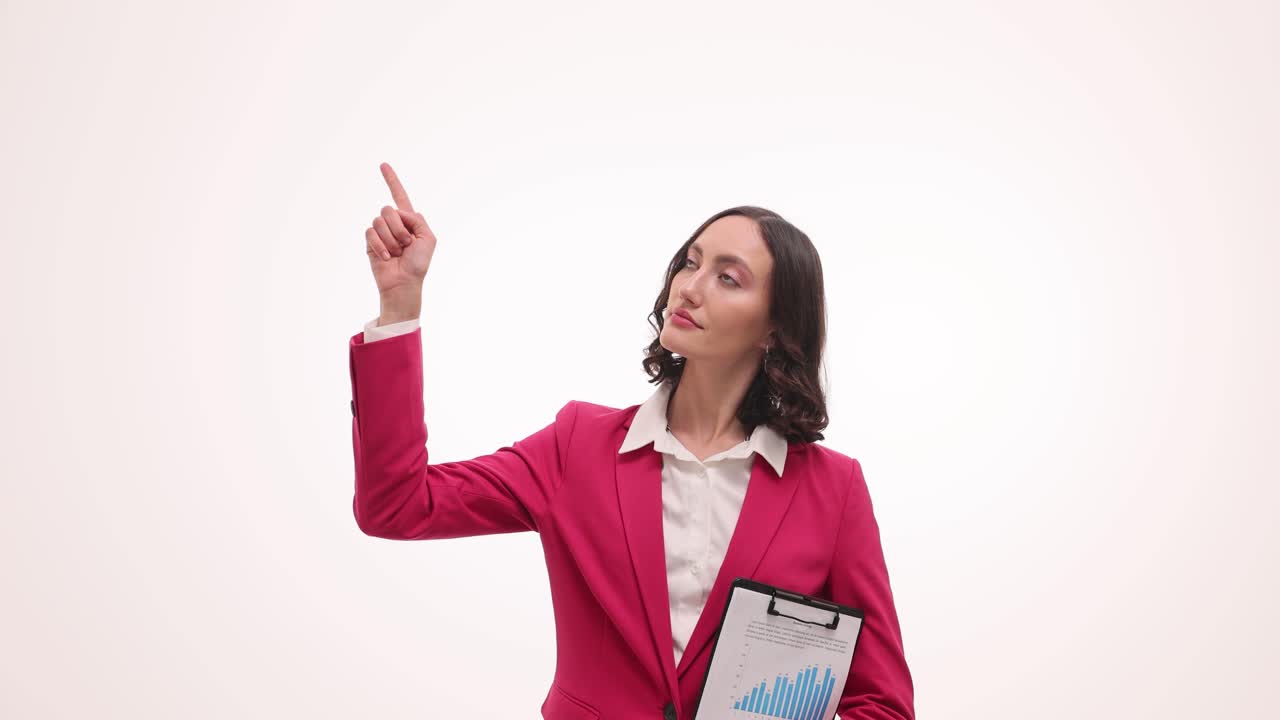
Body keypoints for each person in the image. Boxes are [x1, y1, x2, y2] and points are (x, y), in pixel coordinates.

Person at [349, 162, 915, 720]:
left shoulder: (832, 490)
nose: (689, 288)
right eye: (689, 264)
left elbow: (882, 704)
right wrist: (400, 308)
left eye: (727, 277)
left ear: (774, 329)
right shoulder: (577, 446)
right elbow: (397, 507)